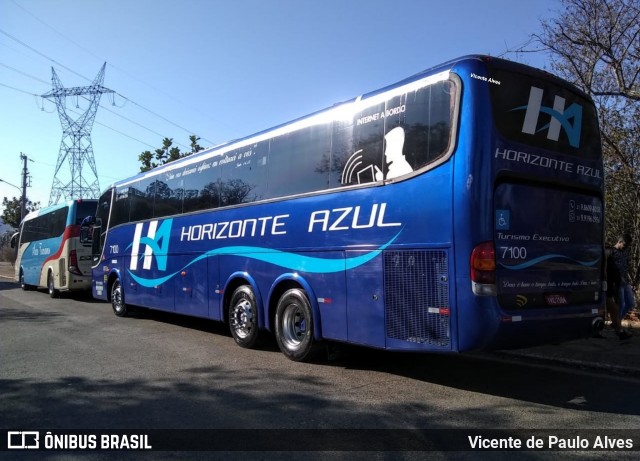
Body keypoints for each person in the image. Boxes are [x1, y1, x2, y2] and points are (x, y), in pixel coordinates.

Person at [605, 235, 633, 340]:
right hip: (616, 283)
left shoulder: (625, 251)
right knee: (620, 305)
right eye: (624, 245)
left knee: (630, 303)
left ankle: (616, 324)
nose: (625, 247)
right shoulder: (610, 252)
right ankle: (619, 328)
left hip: (625, 281)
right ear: (619, 241)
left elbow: (626, 265)